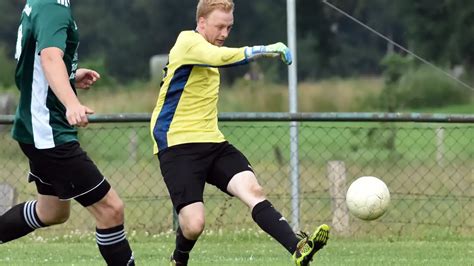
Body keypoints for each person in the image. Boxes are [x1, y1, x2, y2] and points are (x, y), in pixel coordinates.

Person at [150, 0, 329, 265]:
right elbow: (219, 58)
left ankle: (298, 248)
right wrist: (263, 50)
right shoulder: (188, 41)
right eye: (219, 27)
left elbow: (217, 56)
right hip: (177, 145)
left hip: (212, 141)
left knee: (253, 189)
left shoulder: (209, 47)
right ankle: (179, 258)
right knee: (194, 224)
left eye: (229, 27)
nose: (224, 33)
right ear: (201, 23)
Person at [0, 1, 135, 265]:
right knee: (111, 209)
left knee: (51, 211)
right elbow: (49, 57)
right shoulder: (53, 6)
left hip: (36, 128)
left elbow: (34, 65)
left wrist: (70, 75)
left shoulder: (39, 3)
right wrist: (71, 103)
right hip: (49, 132)